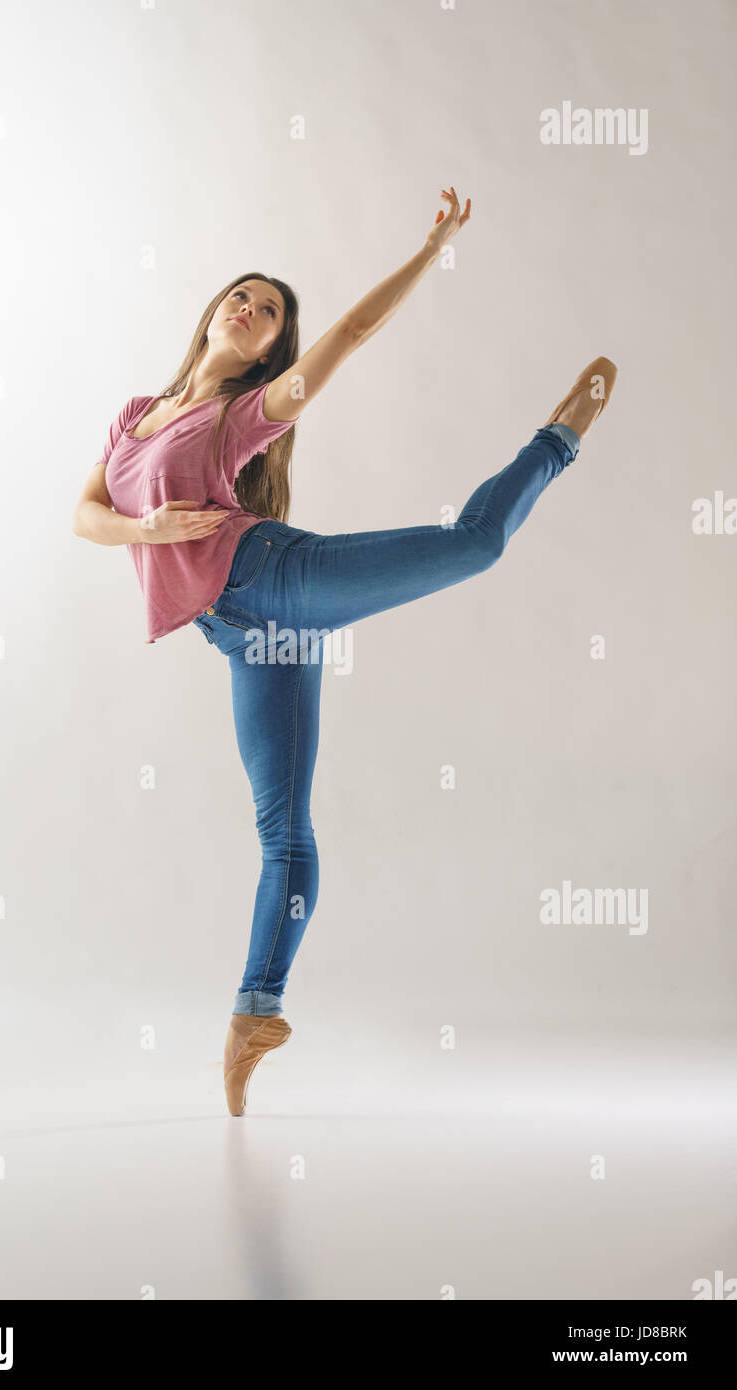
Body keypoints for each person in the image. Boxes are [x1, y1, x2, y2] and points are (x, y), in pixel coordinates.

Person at [72, 187, 618, 1116]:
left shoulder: (243, 414)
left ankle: (556, 440)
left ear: (266, 350)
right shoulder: (135, 414)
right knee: (283, 833)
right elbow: (85, 516)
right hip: (245, 638)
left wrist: (431, 246)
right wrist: (151, 527)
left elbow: (352, 335)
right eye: (239, 295)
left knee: (474, 546)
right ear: (211, 313)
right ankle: (257, 1012)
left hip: (272, 575)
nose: (248, 307)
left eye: (269, 310)